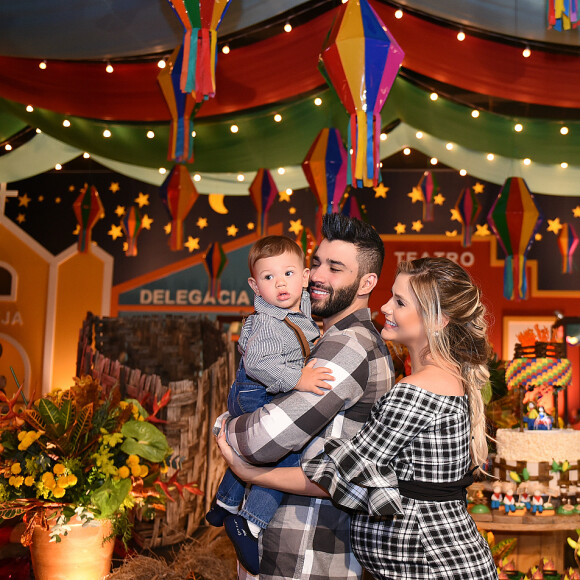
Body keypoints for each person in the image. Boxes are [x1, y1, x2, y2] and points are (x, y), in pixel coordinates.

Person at [218, 257, 497, 579]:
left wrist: (250, 473)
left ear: (438, 320)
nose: (386, 308)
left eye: (401, 302)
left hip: (434, 567)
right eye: (392, 296)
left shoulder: (417, 390)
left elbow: (338, 476)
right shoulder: (444, 377)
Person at [222, 213, 394, 579]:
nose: (316, 276)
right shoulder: (323, 336)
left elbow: (262, 441)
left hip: (304, 555)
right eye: (315, 263)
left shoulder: (347, 346)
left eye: (335, 268)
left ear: (367, 282)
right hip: (292, 548)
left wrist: (225, 428)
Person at [205, 235, 334, 574]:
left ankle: (225, 502)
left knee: (255, 453)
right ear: (254, 285)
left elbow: (308, 299)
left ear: (305, 277)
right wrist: (298, 380)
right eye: (268, 277)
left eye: (289, 274)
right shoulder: (266, 321)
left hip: (263, 388)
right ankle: (249, 523)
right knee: (285, 451)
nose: (280, 284)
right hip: (255, 390)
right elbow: (259, 365)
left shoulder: (297, 303)